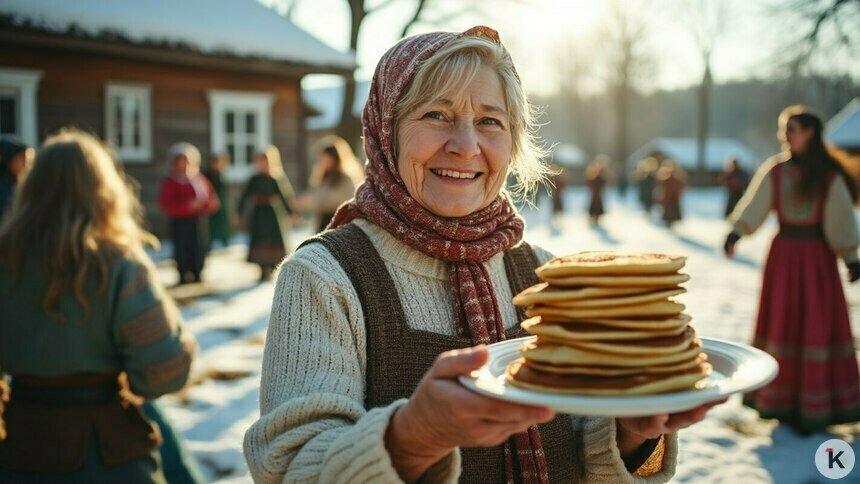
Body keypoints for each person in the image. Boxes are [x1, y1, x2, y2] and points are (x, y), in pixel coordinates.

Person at [244, 26, 722, 483]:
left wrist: (632, 433)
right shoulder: (325, 277)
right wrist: (414, 437)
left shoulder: (541, 273)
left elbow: (581, 443)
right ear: (386, 129)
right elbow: (289, 466)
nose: (465, 145)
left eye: (490, 122)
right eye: (437, 114)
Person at [0, 129, 197, 481]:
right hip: (109, 454)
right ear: (102, 190)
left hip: (21, 448)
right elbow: (166, 370)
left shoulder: (5, 262)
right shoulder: (119, 264)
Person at [725, 105, 860, 434]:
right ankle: (780, 405)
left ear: (810, 132)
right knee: (783, 324)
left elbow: (840, 217)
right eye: (783, 129)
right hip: (783, 260)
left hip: (817, 261)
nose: (784, 135)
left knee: (814, 324)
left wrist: (851, 256)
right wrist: (736, 231)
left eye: (792, 129)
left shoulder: (828, 176)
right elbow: (756, 204)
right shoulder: (776, 171)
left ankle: (816, 406)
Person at [159, 142, 220, 285]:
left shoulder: (199, 179)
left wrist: (202, 206)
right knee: (182, 248)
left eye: (186, 160)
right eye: (180, 160)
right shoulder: (172, 180)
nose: (184, 164)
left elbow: (212, 200)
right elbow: (166, 203)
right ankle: (183, 274)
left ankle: (198, 272)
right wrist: (186, 207)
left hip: (198, 221)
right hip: (180, 222)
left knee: (199, 247)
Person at [237, 145, 295, 280]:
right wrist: (239, 212)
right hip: (259, 214)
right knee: (259, 239)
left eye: (265, 161)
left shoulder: (276, 178)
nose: (262, 164)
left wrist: (291, 212)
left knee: (273, 239)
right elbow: (245, 196)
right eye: (260, 161)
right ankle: (262, 269)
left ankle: (272, 267)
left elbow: (285, 196)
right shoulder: (254, 179)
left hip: (272, 214)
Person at [305, 136, 362, 233]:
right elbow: (317, 196)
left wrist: (325, 202)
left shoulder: (345, 178)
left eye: (327, 158)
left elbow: (349, 200)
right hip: (323, 223)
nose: (324, 161)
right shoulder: (322, 177)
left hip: (339, 223)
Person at [0, 135, 32, 220]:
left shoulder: (18, 184)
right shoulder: (3, 188)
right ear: (8, 159)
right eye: (21, 157)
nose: (26, 163)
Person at [203, 152, 231, 248]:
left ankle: (225, 240)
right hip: (210, 203)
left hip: (222, 202)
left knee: (223, 223)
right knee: (211, 225)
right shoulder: (207, 176)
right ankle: (210, 242)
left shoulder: (222, 174)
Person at [657, 160, 685, 228]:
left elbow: (679, 188)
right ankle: (669, 223)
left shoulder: (674, 180)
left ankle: (670, 223)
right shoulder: (666, 180)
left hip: (672, 199)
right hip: (670, 199)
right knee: (669, 212)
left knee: (670, 212)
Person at [585, 155, 610, 226]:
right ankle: (593, 218)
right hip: (595, 194)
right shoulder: (594, 172)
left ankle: (596, 218)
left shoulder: (601, 174)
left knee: (597, 205)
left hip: (598, 194)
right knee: (594, 205)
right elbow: (590, 182)